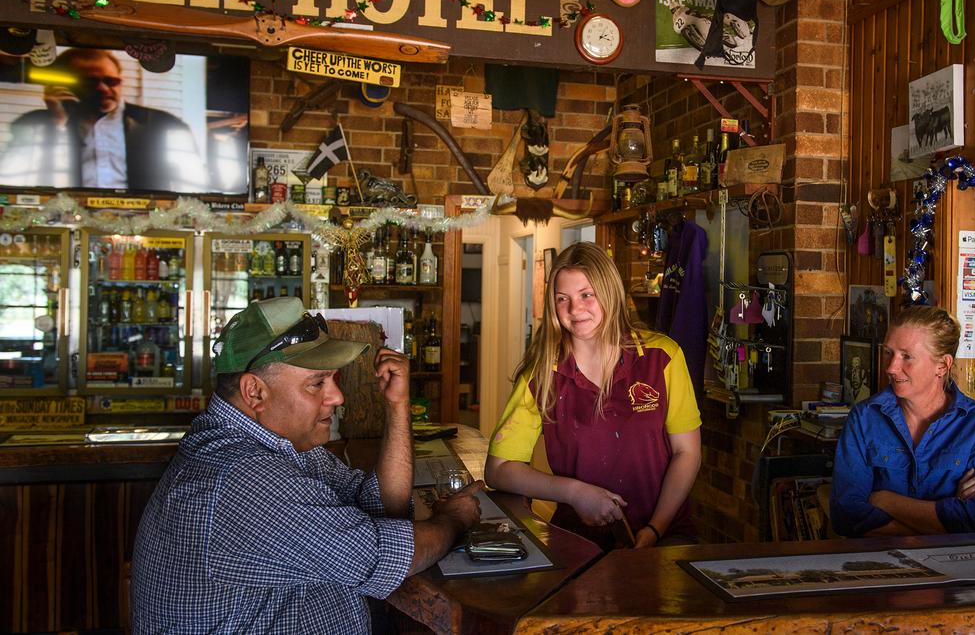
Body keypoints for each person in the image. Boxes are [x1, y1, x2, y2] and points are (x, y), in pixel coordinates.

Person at [131, 297, 482, 632]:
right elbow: (387, 556)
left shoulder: (282, 446)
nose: (337, 397)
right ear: (254, 392)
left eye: (334, 380)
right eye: (316, 383)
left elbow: (380, 508)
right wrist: (454, 519)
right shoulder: (241, 477)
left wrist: (396, 405)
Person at [485, 242, 702, 550]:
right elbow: (499, 469)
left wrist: (655, 528)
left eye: (587, 294)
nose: (575, 309)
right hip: (579, 539)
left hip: (666, 536)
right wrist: (575, 493)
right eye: (563, 299)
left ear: (610, 292)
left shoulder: (662, 357)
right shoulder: (541, 375)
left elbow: (687, 453)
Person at [831, 306, 975, 537]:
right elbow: (846, 516)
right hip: (878, 563)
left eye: (907, 356)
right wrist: (944, 521)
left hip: (954, 566)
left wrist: (884, 499)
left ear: (942, 366)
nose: (891, 367)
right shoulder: (864, 418)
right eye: (888, 352)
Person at [0, 47, 202, 191]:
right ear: (63, 85)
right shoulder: (32, 125)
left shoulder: (164, 126)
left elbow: (194, 187)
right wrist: (57, 125)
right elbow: (11, 181)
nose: (103, 89)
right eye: (90, 82)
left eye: (111, 81)